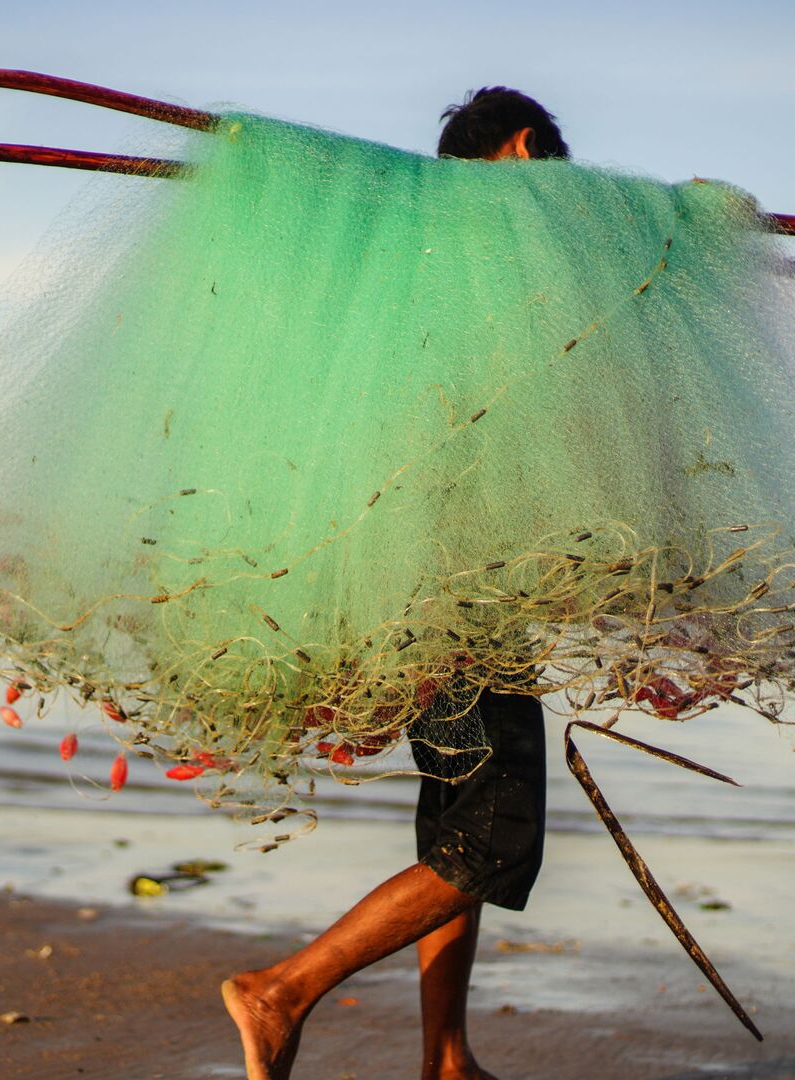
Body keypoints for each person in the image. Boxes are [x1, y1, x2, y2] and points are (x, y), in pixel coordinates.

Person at [221, 88, 569, 1080]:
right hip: (458, 595)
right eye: (552, 172)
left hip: (432, 583)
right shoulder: (493, 264)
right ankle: (281, 992)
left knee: (458, 824)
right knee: (494, 839)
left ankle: (447, 1058)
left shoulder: (420, 267)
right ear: (526, 146)